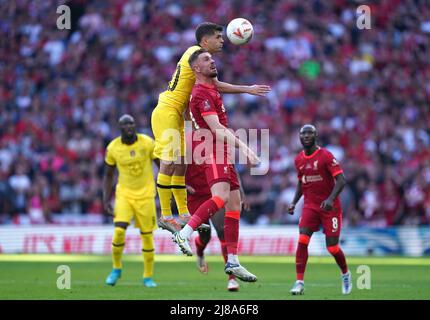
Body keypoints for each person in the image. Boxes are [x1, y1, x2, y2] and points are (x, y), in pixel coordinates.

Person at [151, 22, 270, 234]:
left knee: (181, 164)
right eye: (218, 37)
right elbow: (215, 85)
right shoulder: (196, 55)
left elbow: (211, 85)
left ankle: (184, 213)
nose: (222, 40)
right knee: (168, 162)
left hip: (177, 113)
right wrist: (247, 89)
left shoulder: (199, 57)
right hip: (167, 110)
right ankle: (165, 216)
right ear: (205, 41)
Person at [172, 49, 260, 282]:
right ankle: (184, 234)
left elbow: (220, 85)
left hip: (221, 147)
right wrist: (246, 149)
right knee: (220, 197)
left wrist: (247, 89)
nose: (212, 61)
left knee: (234, 204)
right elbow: (217, 128)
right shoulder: (200, 93)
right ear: (196, 69)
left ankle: (232, 260)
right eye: (206, 59)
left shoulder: (210, 87)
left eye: (212, 58)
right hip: (211, 144)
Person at [288, 124, 352, 295]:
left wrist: (330, 199)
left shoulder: (325, 156)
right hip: (310, 206)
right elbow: (302, 183)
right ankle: (299, 282)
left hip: (330, 208)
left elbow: (341, 180)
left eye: (310, 133)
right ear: (300, 137)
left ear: (316, 136)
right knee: (302, 240)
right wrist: (294, 202)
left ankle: (345, 273)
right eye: (303, 133)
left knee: (332, 248)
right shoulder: (298, 159)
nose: (306, 136)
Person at [185, 130, 251, 291]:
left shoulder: (221, 136)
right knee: (205, 235)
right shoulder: (186, 139)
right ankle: (200, 251)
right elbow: (177, 167)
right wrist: (182, 185)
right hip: (194, 194)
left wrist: (241, 193)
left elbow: (230, 168)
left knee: (222, 231)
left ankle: (232, 278)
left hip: (214, 191)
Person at [103, 114, 159, 288]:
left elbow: (161, 164)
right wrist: (106, 199)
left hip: (146, 196)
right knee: (119, 231)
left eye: (132, 123)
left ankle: (148, 276)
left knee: (147, 237)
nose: (129, 126)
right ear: (120, 128)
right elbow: (108, 175)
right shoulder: (113, 148)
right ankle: (116, 268)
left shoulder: (147, 142)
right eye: (125, 124)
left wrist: (171, 185)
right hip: (124, 195)